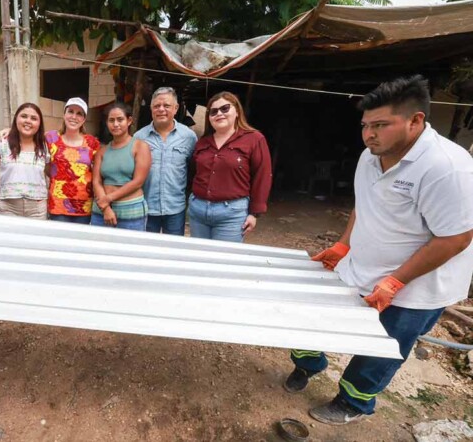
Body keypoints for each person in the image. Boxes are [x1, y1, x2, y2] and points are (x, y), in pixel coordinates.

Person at [284, 76, 473, 425]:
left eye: (381, 125)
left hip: (417, 288)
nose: (369, 134)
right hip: (361, 266)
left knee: (382, 349)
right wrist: (344, 245)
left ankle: (352, 403)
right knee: (309, 319)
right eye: (365, 125)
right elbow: (364, 205)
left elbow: (455, 238)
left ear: (415, 121)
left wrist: (396, 282)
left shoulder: (446, 167)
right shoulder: (370, 157)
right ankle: (308, 364)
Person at [189, 92, 272, 242]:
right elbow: (193, 172)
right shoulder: (203, 142)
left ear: (237, 112)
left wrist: (254, 213)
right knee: (199, 259)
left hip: (232, 213)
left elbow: (263, 175)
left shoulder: (254, 139)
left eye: (225, 108)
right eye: (213, 112)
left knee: (224, 261)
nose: (219, 114)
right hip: (198, 211)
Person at [133, 87, 197, 235]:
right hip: (146, 207)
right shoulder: (139, 137)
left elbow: (192, 171)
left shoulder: (189, 137)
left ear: (176, 108)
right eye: (156, 106)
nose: (161, 109)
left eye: (166, 106)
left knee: (173, 253)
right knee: (148, 253)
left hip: (176, 208)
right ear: (151, 109)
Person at [0, 103, 50, 218]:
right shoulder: (2, 142)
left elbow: (52, 173)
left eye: (34, 118)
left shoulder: (45, 145)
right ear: (16, 118)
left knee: (35, 237)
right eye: (24, 116)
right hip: (8, 208)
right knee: (7, 237)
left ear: (39, 124)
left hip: (37, 210)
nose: (28, 121)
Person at [91, 103, 152, 230]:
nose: (115, 124)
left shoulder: (140, 146)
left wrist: (108, 199)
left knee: (130, 248)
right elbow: (96, 181)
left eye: (120, 119)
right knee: (99, 249)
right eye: (111, 120)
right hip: (101, 210)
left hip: (130, 209)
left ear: (129, 121)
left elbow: (138, 182)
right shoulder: (102, 151)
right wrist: (106, 207)